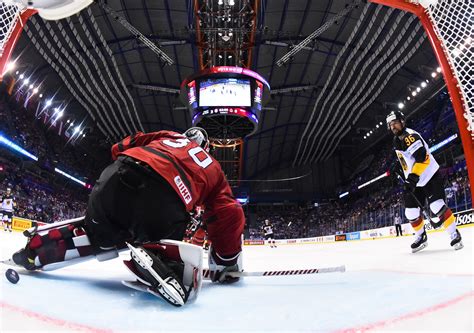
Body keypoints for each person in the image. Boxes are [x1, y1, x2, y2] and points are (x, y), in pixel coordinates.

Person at [11, 127, 245, 306]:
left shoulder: (166, 135)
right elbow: (229, 213)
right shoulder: (212, 167)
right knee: (176, 226)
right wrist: (226, 260)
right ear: (205, 147)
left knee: (100, 233)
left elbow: (118, 147)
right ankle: (163, 262)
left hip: (113, 181)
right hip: (162, 204)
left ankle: (36, 251)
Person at [386, 111, 463, 252]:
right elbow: (406, 158)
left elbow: (422, 158)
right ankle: (421, 236)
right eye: (391, 125)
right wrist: (398, 167)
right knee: (410, 212)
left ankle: (454, 234)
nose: (393, 127)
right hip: (415, 181)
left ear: (402, 122)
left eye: (395, 123)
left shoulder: (410, 137)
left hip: (429, 176)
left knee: (437, 206)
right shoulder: (397, 139)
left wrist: (412, 179)